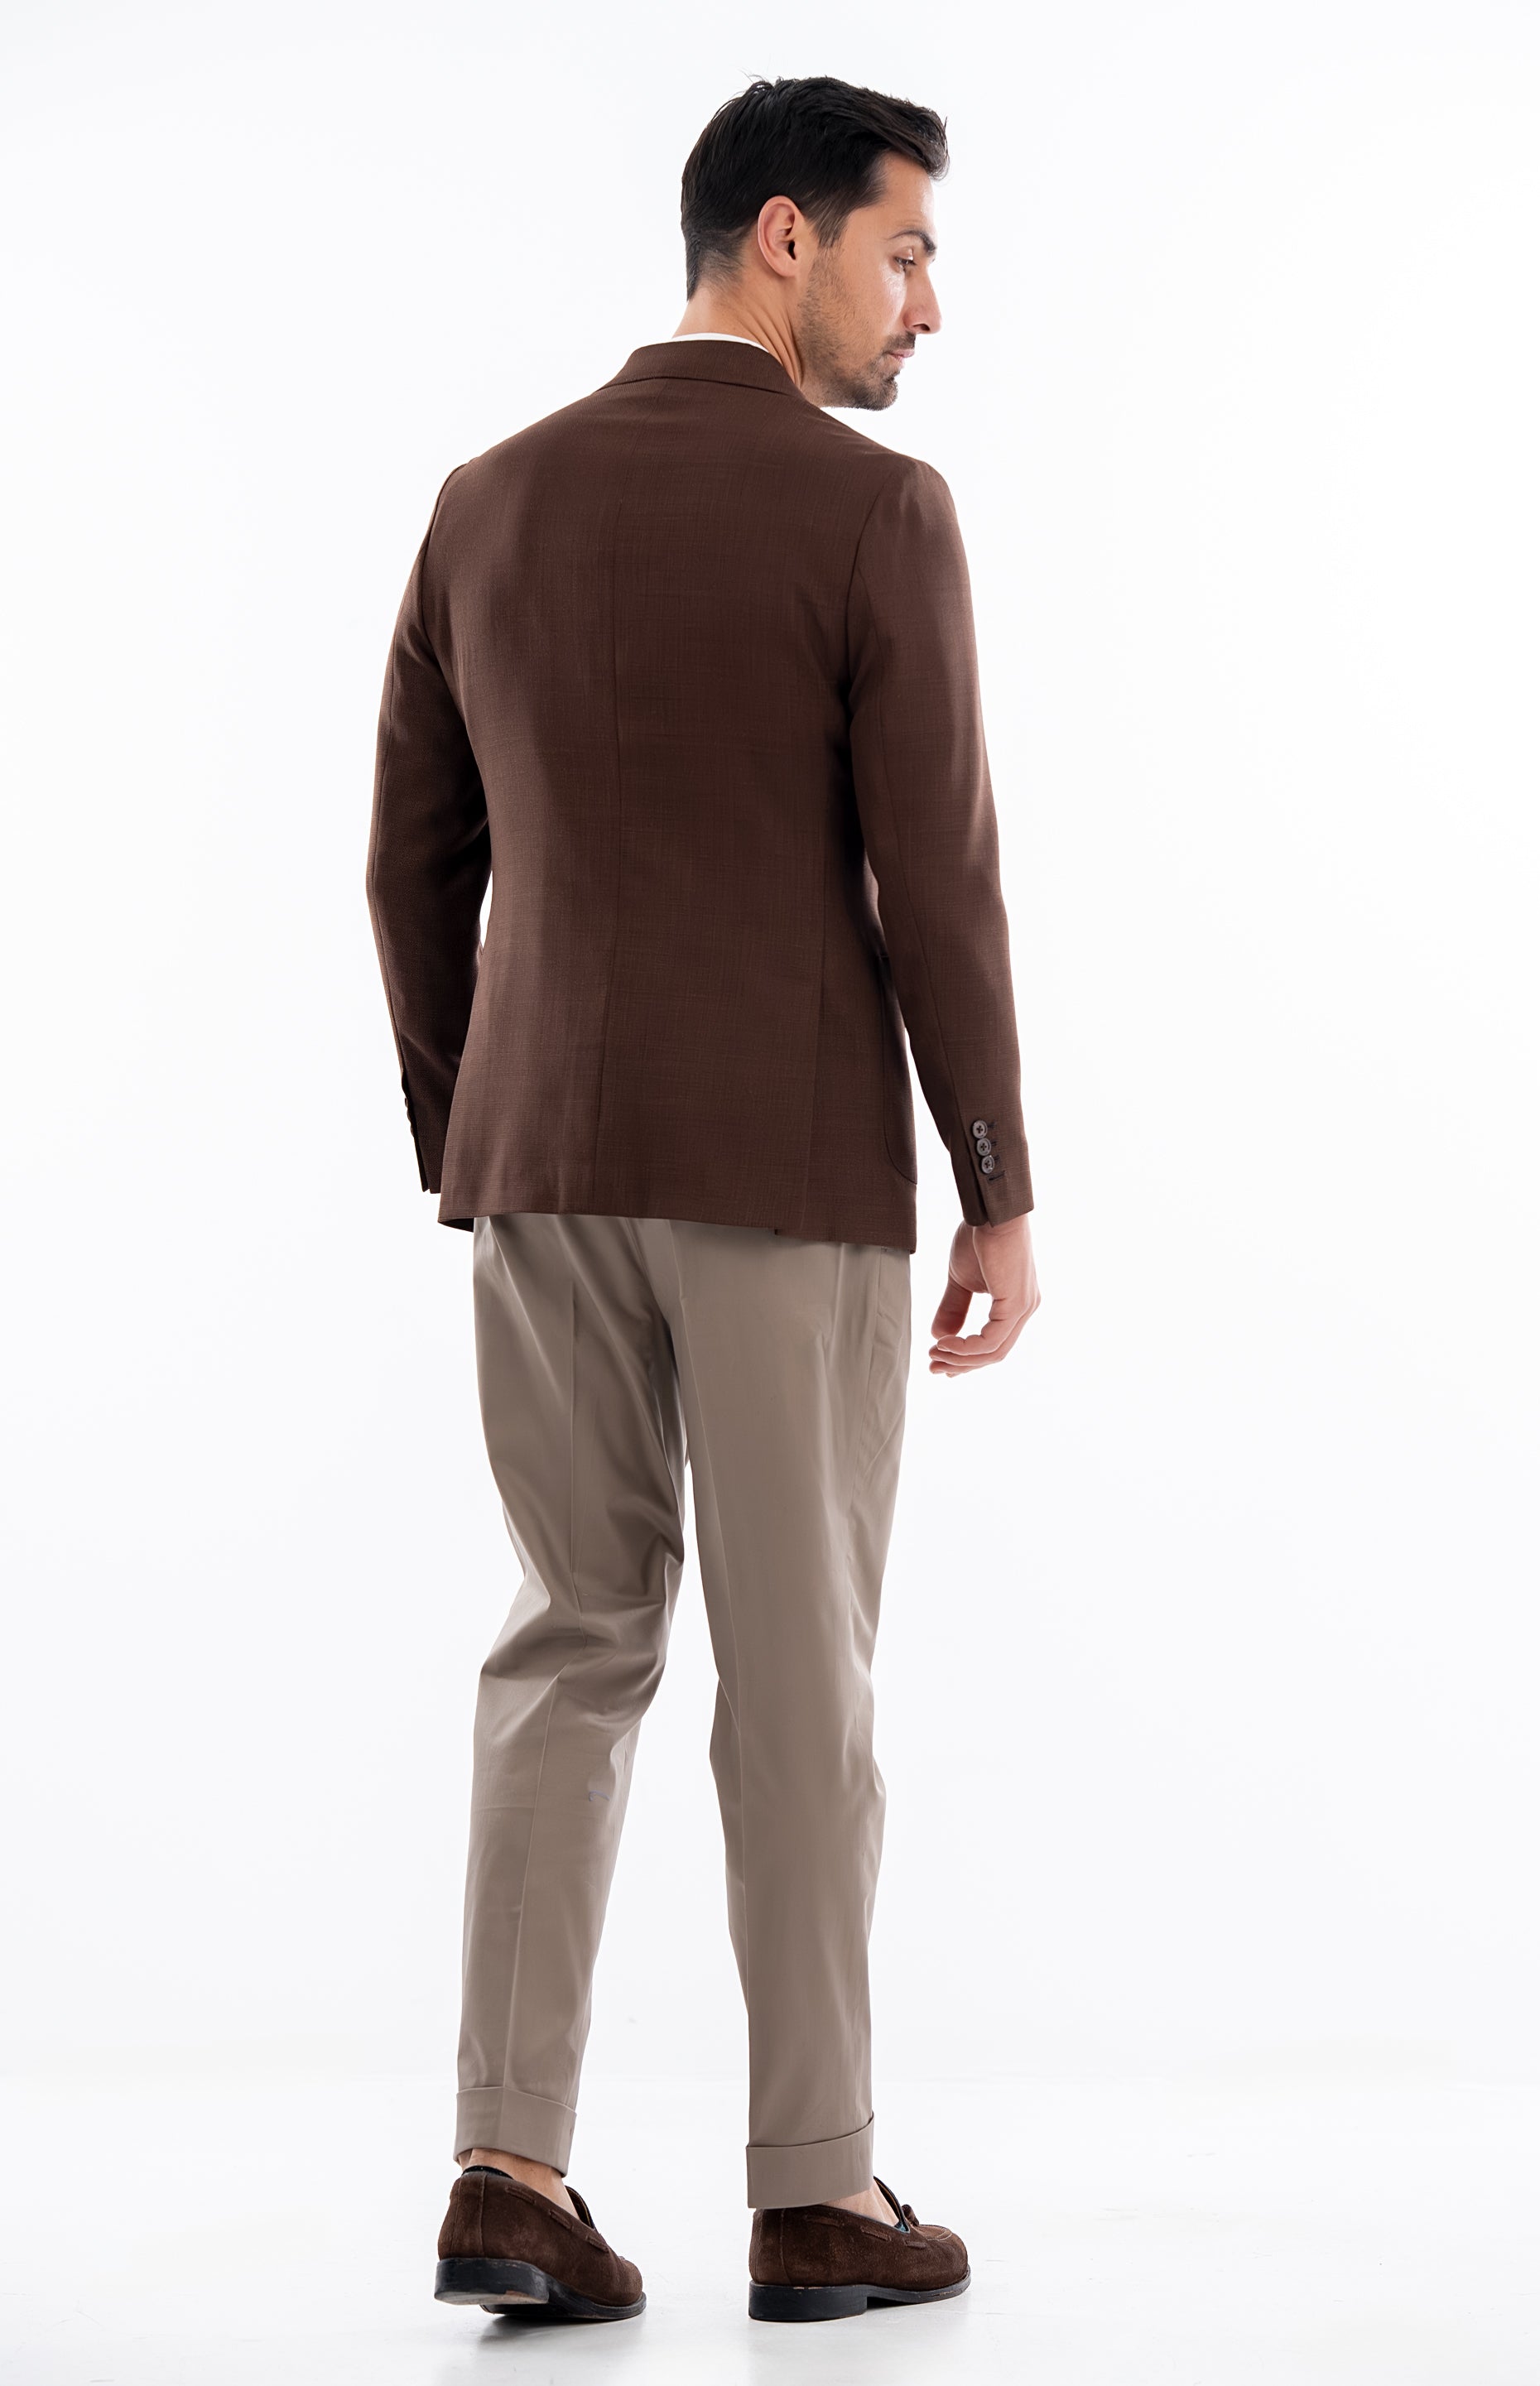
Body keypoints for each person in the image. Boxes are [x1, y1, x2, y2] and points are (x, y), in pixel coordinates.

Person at [366, 71, 1039, 2327]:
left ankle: (507, 2171)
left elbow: (409, 862)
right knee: (798, 1673)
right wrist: (996, 1183)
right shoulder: (876, 511)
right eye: (904, 250)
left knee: (568, 1640)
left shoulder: (486, 502)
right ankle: (816, 2194)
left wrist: (470, 1127)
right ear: (782, 235)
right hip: (784, 1167)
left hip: (539, 1168)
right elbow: (938, 878)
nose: (927, 304)